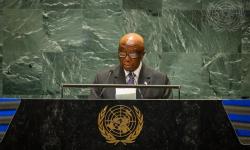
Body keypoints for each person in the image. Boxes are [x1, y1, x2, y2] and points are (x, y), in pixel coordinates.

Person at [89, 33, 172, 99]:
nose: (127, 59)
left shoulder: (161, 81)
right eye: (122, 54)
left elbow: (168, 114)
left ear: (142, 55)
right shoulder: (103, 79)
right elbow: (92, 111)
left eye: (132, 54)